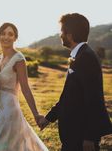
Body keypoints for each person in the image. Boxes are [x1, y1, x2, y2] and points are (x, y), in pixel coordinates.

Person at [38, 13, 112, 151]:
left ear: (70, 35)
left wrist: (90, 137)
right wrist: (49, 118)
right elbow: (69, 95)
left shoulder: (86, 58)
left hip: (81, 138)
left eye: (62, 31)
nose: (60, 35)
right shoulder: (80, 55)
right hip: (72, 136)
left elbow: (94, 99)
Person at [0, 22, 48, 151]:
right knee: (12, 145)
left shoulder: (19, 59)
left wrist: (36, 114)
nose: (6, 37)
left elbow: (25, 88)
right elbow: (1, 89)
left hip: (10, 109)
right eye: (3, 33)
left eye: (10, 34)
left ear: (15, 38)